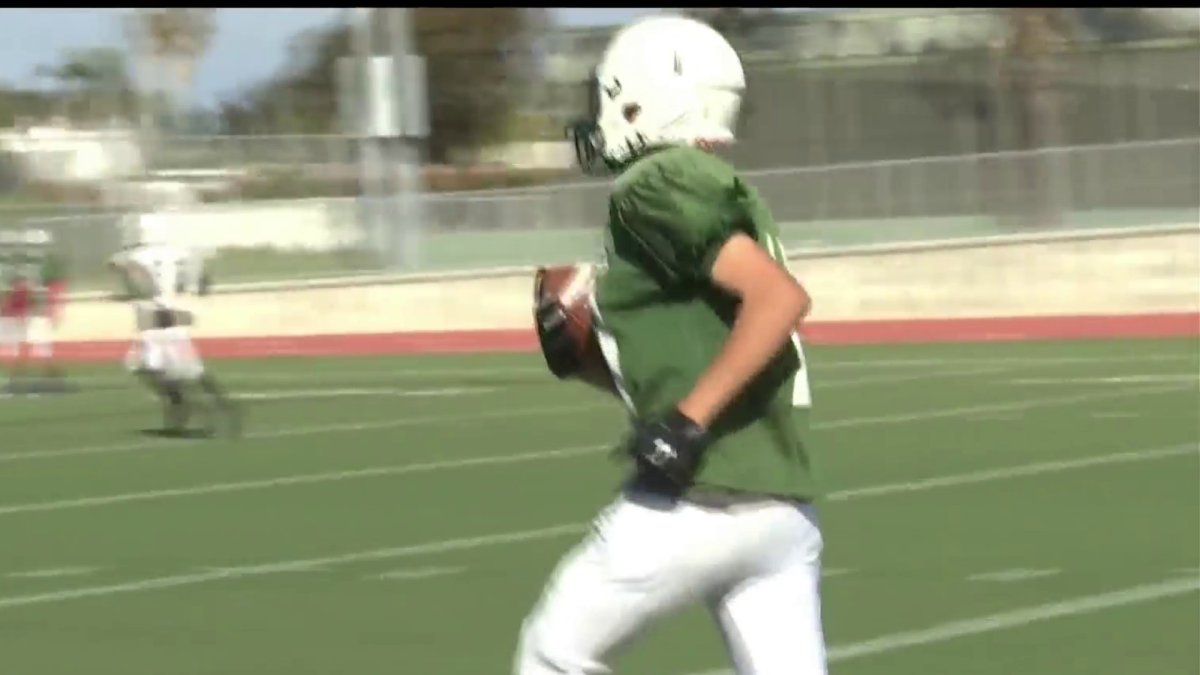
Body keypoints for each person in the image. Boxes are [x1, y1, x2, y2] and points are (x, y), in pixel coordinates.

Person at [514, 15, 826, 675]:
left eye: (610, 95)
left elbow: (777, 299)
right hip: (779, 510)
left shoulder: (652, 183)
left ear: (642, 99)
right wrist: (593, 362)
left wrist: (686, 424)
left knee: (551, 654)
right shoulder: (720, 188)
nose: (599, 114)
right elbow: (711, 341)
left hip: (696, 498)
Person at [108, 212, 240, 437]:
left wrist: (128, 293)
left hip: (153, 316)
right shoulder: (181, 253)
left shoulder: (131, 257)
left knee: (140, 365)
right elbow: (204, 281)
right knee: (187, 368)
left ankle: (182, 403)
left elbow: (138, 281)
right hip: (177, 315)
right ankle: (219, 405)